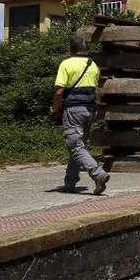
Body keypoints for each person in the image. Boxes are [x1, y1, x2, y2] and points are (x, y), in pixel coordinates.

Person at [52, 37, 110, 194]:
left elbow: (59, 91)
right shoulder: (93, 66)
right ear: (85, 50)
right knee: (79, 146)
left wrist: (55, 109)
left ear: (71, 50)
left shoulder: (67, 64)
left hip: (73, 110)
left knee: (75, 146)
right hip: (90, 110)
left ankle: (98, 174)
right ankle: (70, 183)